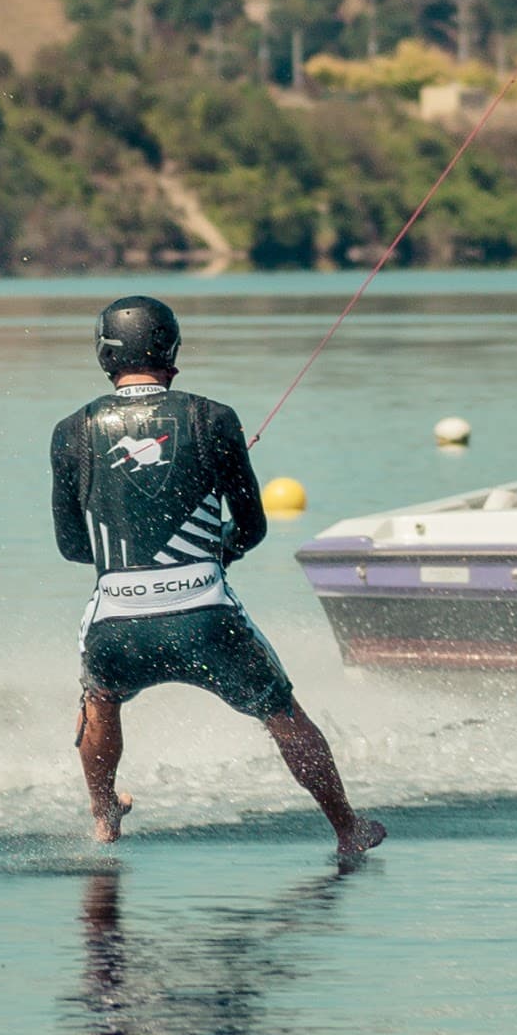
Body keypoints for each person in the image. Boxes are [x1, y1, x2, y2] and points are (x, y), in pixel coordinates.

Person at [50, 295, 387, 857]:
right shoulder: (214, 418)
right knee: (282, 713)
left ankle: (105, 817)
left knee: (99, 700)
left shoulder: (71, 431)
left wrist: (130, 565)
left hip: (118, 624)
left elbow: (70, 547)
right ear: (172, 349)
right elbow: (251, 528)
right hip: (208, 621)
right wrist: (217, 547)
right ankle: (347, 829)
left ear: (105, 355)